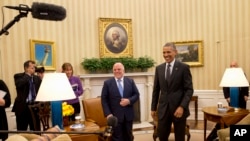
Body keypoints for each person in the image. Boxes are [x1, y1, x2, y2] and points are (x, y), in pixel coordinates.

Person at [151, 42, 194, 141]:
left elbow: (189, 90)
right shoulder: (159, 69)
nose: (166, 55)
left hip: (178, 110)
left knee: (179, 137)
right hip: (163, 110)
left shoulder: (183, 68)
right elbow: (156, 90)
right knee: (162, 137)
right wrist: (153, 108)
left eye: (168, 52)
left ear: (175, 52)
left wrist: (182, 107)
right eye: (164, 52)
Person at [101, 62, 139, 141]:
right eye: (114, 70)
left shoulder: (130, 81)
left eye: (119, 69)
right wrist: (108, 114)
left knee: (129, 136)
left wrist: (129, 101)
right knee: (117, 138)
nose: (116, 71)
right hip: (115, 117)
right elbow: (104, 99)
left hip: (128, 115)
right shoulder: (107, 83)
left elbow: (136, 94)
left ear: (123, 71)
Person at [12, 60, 42, 130]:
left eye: (35, 67)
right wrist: (28, 75)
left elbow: (41, 90)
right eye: (32, 67)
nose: (34, 69)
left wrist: (42, 78)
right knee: (22, 130)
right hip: (22, 107)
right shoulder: (18, 76)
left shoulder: (37, 78)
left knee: (36, 130)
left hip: (35, 107)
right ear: (26, 68)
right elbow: (19, 84)